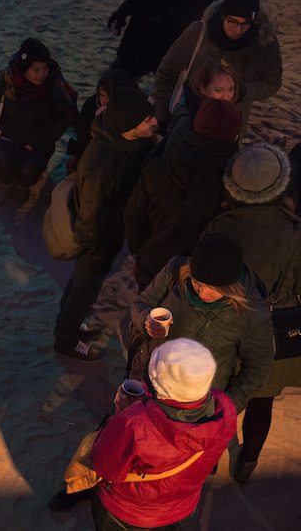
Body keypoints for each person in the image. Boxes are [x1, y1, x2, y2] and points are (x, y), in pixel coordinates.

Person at [201, 143, 297, 483]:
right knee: (261, 403)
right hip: (272, 332)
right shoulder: (293, 230)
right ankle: (247, 463)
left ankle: (209, 461)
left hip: (224, 329)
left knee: (216, 399)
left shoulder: (220, 224)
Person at [53, 88, 157, 361]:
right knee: (85, 290)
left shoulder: (123, 144)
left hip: (107, 233)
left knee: (81, 285)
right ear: (128, 125)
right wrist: (96, 248)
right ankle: (65, 340)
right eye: (148, 120)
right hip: (98, 238)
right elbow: (91, 214)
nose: (154, 123)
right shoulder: (104, 164)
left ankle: (69, 325)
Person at [91, 338, 237, 530]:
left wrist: (120, 412)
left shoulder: (135, 423)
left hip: (129, 514)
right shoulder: (224, 408)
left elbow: (106, 468)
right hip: (180, 509)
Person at [130, 232, 273, 413]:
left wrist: (221, 410)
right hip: (144, 383)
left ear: (232, 286)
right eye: (198, 283)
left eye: (214, 289)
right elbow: (140, 303)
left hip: (191, 410)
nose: (203, 294)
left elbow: (256, 371)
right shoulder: (175, 270)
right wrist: (146, 321)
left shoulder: (252, 314)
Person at [125, 98, 241, 291]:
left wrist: (141, 252)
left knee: (148, 317)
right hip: (202, 278)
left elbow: (134, 218)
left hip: (154, 265)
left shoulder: (159, 167)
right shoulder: (234, 183)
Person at [0, 37, 78, 202]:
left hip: (39, 141)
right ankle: (6, 186)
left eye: (45, 68)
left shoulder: (53, 85)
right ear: (24, 69)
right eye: (36, 69)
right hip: (9, 137)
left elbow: (63, 119)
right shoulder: (8, 82)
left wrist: (38, 141)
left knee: (28, 173)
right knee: (3, 167)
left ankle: (22, 188)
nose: (42, 74)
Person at [152, 0, 282, 132]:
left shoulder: (265, 42)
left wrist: (240, 91)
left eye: (245, 24)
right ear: (222, 16)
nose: (239, 29)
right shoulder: (198, 33)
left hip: (232, 123)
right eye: (233, 22)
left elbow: (272, 83)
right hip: (189, 116)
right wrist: (162, 115)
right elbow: (166, 72)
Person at [107, 0, 215, 79]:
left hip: (171, 43)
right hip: (141, 37)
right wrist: (123, 11)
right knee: (114, 81)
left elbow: (191, 10)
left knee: (167, 91)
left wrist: (156, 23)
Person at [66, 68, 138, 172]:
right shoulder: (92, 105)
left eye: (110, 97)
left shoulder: (133, 110)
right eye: (102, 95)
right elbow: (82, 134)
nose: (105, 101)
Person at [162, 57, 238, 155]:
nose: (226, 97)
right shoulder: (187, 119)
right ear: (203, 88)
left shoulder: (228, 114)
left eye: (231, 89)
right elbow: (170, 158)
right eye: (218, 90)